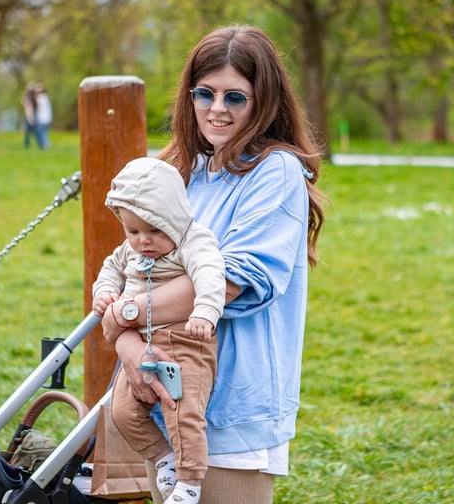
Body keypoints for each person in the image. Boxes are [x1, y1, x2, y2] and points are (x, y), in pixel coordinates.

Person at [100, 25, 326, 504]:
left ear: (263, 100)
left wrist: (123, 315)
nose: (217, 109)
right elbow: (128, 270)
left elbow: (228, 285)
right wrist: (128, 349)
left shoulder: (276, 171)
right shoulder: (181, 170)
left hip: (230, 407)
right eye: (205, 93)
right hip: (158, 394)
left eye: (235, 97)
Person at [93, 157, 226, 504]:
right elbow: (112, 267)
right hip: (141, 340)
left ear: (175, 219)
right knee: (120, 411)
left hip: (185, 339)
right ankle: (163, 457)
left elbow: (211, 276)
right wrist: (104, 292)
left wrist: (205, 313)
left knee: (183, 411)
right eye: (133, 231)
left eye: (154, 231)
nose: (143, 241)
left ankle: (189, 483)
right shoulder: (131, 248)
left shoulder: (194, 241)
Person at [33, 82, 53, 149]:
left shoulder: (40, 98)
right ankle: (44, 145)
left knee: (41, 132)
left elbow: (39, 109)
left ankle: (45, 145)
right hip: (47, 118)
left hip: (42, 119)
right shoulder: (46, 97)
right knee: (44, 132)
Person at [21, 83, 37, 148]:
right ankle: (28, 144)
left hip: (29, 116)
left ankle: (27, 144)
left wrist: (30, 118)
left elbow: (28, 109)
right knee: (30, 131)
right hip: (31, 115)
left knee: (28, 131)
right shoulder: (33, 98)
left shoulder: (29, 98)